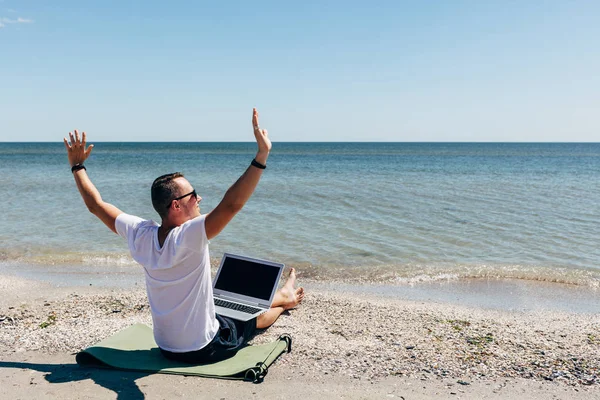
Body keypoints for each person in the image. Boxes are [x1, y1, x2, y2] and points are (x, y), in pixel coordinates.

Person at [63, 108, 304, 363]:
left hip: (166, 347)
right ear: (176, 206)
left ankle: (280, 296)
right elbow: (232, 205)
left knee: (219, 306)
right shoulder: (188, 236)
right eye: (194, 195)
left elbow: (96, 205)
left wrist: (77, 166)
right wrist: (261, 155)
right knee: (247, 320)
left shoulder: (141, 234)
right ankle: (284, 300)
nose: (199, 199)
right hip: (203, 349)